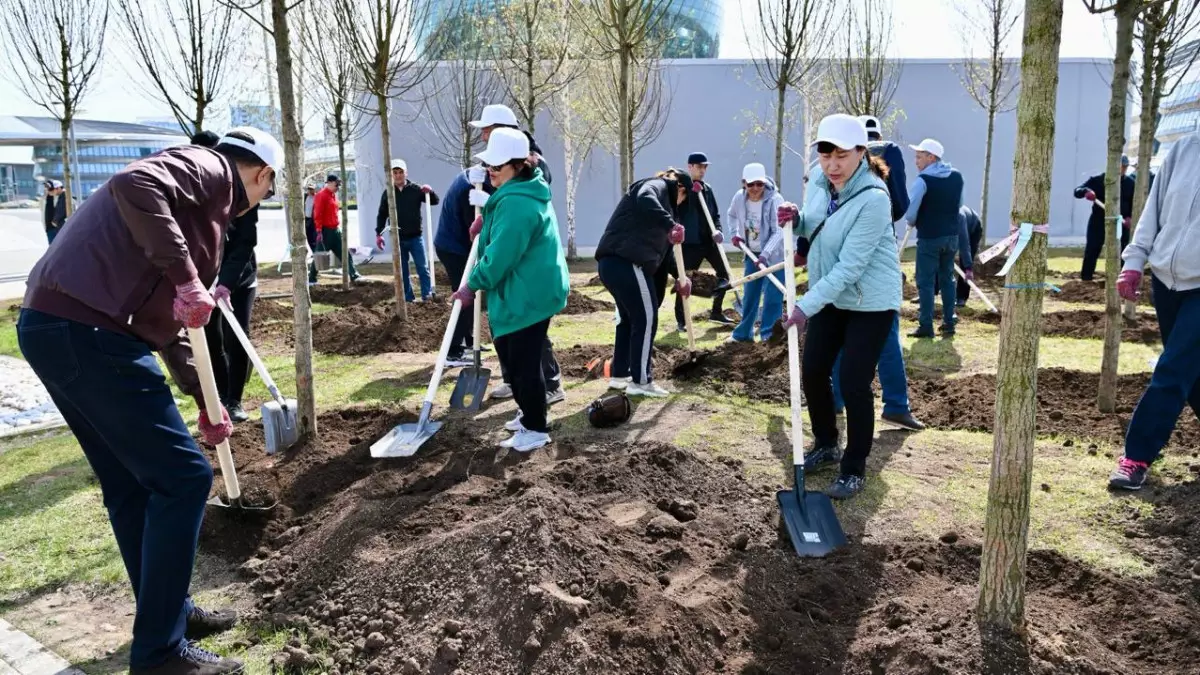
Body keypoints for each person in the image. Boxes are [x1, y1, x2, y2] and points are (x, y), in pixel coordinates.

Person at [17, 126, 283, 675]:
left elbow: (168, 324)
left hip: (59, 325)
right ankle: (161, 653)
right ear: (262, 175)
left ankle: (170, 613)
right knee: (184, 477)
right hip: (88, 330)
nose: (252, 207)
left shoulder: (200, 214)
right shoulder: (211, 171)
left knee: (134, 485)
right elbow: (134, 184)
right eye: (266, 194)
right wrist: (190, 279)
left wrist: (205, 402)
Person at [778, 113, 901, 500]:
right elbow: (815, 223)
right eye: (824, 154)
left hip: (870, 302)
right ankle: (827, 443)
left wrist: (804, 306)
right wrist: (795, 220)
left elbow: (850, 267)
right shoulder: (819, 180)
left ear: (862, 153)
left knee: (853, 381)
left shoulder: (875, 199)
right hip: (831, 295)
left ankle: (854, 468)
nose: (832, 165)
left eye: (842, 156)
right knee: (813, 369)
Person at [433, 103, 563, 399]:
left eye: (488, 130)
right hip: (507, 251)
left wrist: (490, 204)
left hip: (525, 261)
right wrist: (487, 214)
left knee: (529, 326)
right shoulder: (502, 159)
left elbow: (519, 210)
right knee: (505, 320)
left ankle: (550, 383)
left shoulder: (529, 162)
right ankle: (514, 379)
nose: (483, 137)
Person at [451, 128, 569, 452]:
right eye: (489, 166)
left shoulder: (518, 203)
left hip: (531, 292)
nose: (491, 171)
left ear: (518, 165)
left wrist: (471, 285)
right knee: (511, 354)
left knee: (522, 362)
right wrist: (485, 224)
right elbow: (501, 231)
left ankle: (535, 428)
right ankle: (527, 413)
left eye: (497, 167)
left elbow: (503, 254)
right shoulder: (516, 192)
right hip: (526, 287)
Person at [1108, 135, 1200, 490]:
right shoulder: (1184, 149)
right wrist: (1134, 261)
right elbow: (1153, 211)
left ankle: (1136, 457)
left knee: (1171, 372)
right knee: (1191, 379)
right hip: (1166, 280)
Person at [595, 168, 692, 398]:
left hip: (613, 263)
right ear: (680, 189)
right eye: (684, 197)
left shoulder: (662, 211)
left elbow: (665, 256)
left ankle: (620, 375)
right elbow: (644, 198)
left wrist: (681, 276)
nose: (681, 203)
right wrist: (670, 224)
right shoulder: (656, 186)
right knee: (646, 317)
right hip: (626, 262)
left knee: (629, 320)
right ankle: (641, 381)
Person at [205, 205, 259, 424]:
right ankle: (221, 397)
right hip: (205, 281)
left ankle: (235, 400)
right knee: (211, 339)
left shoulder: (244, 198)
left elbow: (244, 242)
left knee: (237, 338)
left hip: (240, 278)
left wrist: (226, 283)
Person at [904, 138, 964, 338]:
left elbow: (911, 212)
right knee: (947, 278)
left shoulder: (923, 181)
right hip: (951, 236)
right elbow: (959, 205)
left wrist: (911, 221)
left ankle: (926, 326)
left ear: (931, 157)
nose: (916, 161)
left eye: (919, 156)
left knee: (926, 281)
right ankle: (949, 322)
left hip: (930, 237)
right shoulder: (956, 177)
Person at [670, 152, 732, 328]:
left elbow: (716, 215)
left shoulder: (707, 190)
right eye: (699, 166)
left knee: (725, 275)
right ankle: (681, 321)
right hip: (690, 244)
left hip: (709, 243)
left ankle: (716, 312)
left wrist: (718, 231)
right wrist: (689, 192)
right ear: (690, 167)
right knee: (685, 280)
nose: (702, 170)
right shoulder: (681, 188)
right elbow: (674, 208)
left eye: (705, 167)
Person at [726, 162, 785, 343]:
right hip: (751, 253)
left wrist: (765, 255)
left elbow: (779, 231)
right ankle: (744, 333)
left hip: (774, 257)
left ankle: (768, 335)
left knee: (773, 298)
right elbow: (731, 215)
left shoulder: (775, 200)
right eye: (750, 184)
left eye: (759, 184)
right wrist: (734, 234)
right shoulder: (739, 198)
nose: (755, 188)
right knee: (750, 295)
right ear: (744, 183)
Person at [376, 158, 439, 302]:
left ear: (406, 173)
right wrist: (378, 234)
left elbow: (434, 201)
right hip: (398, 238)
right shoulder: (388, 193)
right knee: (402, 271)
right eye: (395, 172)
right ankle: (408, 299)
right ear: (391, 175)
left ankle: (427, 296)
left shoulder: (416, 189)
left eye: (401, 172)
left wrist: (430, 192)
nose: (398, 175)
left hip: (416, 237)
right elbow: (382, 215)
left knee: (423, 268)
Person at [1075, 154, 1135, 281]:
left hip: (1120, 223)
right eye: (1120, 167)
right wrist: (1086, 191)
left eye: (1125, 167)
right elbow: (1077, 191)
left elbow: (1134, 203)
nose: (1122, 170)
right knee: (1092, 249)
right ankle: (1086, 279)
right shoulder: (1098, 181)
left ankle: (1121, 279)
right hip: (1098, 222)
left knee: (1123, 251)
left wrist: (1130, 217)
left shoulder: (1130, 184)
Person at [309, 174, 360, 285]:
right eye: (337, 184)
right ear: (330, 183)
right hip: (325, 231)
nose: (338, 187)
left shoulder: (333, 196)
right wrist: (318, 230)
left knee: (344, 252)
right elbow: (317, 214)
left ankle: (353, 274)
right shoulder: (321, 195)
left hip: (336, 229)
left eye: (339, 185)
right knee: (320, 254)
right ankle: (311, 278)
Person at [955, 205, 982, 307]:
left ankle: (961, 297)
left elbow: (965, 245)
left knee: (965, 259)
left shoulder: (959, 217)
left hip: (974, 227)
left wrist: (968, 267)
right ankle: (931, 292)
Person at [43, 180, 67, 244]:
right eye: (48, 189)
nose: (49, 191)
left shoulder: (64, 196)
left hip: (56, 229)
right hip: (52, 228)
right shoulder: (52, 197)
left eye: (51, 189)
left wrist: (55, 221)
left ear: (58, 188)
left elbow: (61, 210)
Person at [303, 184, 318, 251]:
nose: (309, 191)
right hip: (306, 219)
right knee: (308, 236)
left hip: (313, 221)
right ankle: (313, 251)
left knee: (313, 238)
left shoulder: (317, 197)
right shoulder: (305, 197)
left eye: (311, 189)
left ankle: (315, 251)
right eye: (309, 189)